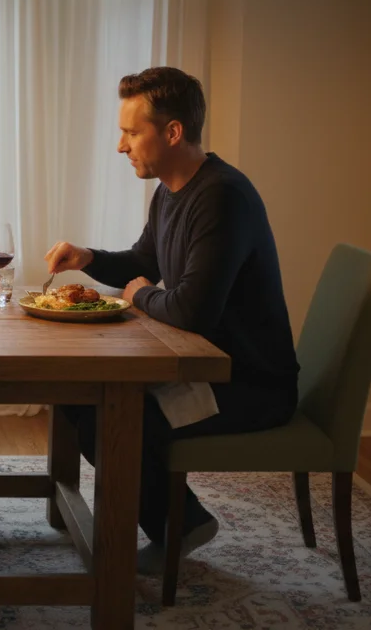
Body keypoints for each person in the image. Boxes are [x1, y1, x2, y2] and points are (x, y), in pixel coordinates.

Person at [44, 67, 299, 573]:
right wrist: (88, 257)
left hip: (244, 382)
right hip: (202, 371)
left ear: (173, 132)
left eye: (131, 132)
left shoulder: (223, 197)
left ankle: (180, 527)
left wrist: (140, 296)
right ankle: (173, 520)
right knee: (77, 396)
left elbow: (190, 311)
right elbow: (143, 262)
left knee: (110, 422)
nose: (122, 146)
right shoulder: (171, 190)